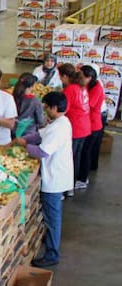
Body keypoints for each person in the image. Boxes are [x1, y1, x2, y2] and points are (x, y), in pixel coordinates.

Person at [14, 92, 73, 267]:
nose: (45, 111)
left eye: (46, 108)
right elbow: (40, 135)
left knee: (53, 218)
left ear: (54, 108)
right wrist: (23, 139)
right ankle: (50, 241)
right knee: (52, 215)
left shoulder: (59, 128)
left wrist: (25, 145)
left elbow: (42, 151)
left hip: (54, 178)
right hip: (55, 174)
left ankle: (52, 254)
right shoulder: (60, 122)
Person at [58, 63, 89, 197]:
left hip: (75, 127)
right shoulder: (81, 86)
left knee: (68, 159)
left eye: (60, 77)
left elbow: (64, 109)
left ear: (65, 76)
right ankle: (71, 187)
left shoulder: (70, 89)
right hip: (84, 126)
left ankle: (65, 188)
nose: (60, 80)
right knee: (76, 157)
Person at [81, 64, 105, 180]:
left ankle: (83, 179)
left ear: (89, 77)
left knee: (86, 151)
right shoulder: (88, 85)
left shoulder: (97, 88)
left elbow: (89, 105)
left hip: (93, 124)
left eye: (81, 77)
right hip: (88, 123)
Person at [12, 73, 45, 137]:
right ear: (32, 86)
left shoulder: (13, 97)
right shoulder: (35, 101)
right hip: (28, 135)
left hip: (13, 132)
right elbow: (40, 121)